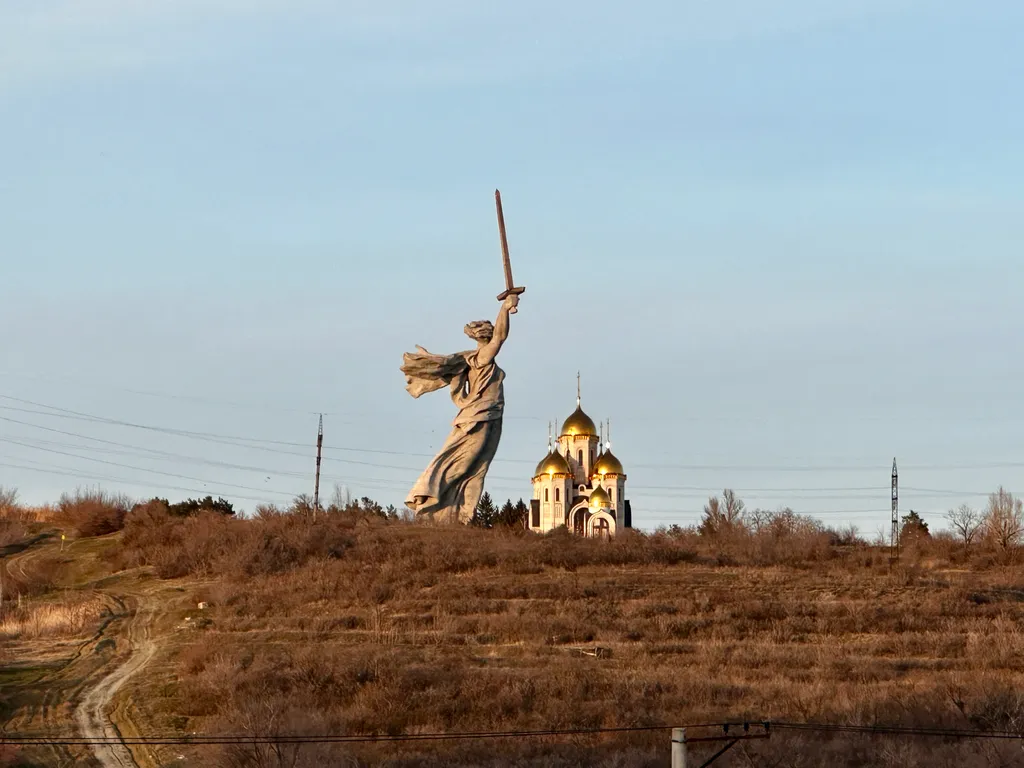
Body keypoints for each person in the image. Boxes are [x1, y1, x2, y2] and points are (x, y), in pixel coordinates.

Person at [401, 293, 520, 523]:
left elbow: (498, 337)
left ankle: (456, 514)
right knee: (463, 463)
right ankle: (428, 498)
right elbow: (500, 337)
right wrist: (505, 308)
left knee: (476, 468)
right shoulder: (482, 357)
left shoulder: (475, 357)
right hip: (478, 416)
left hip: (489, 415)